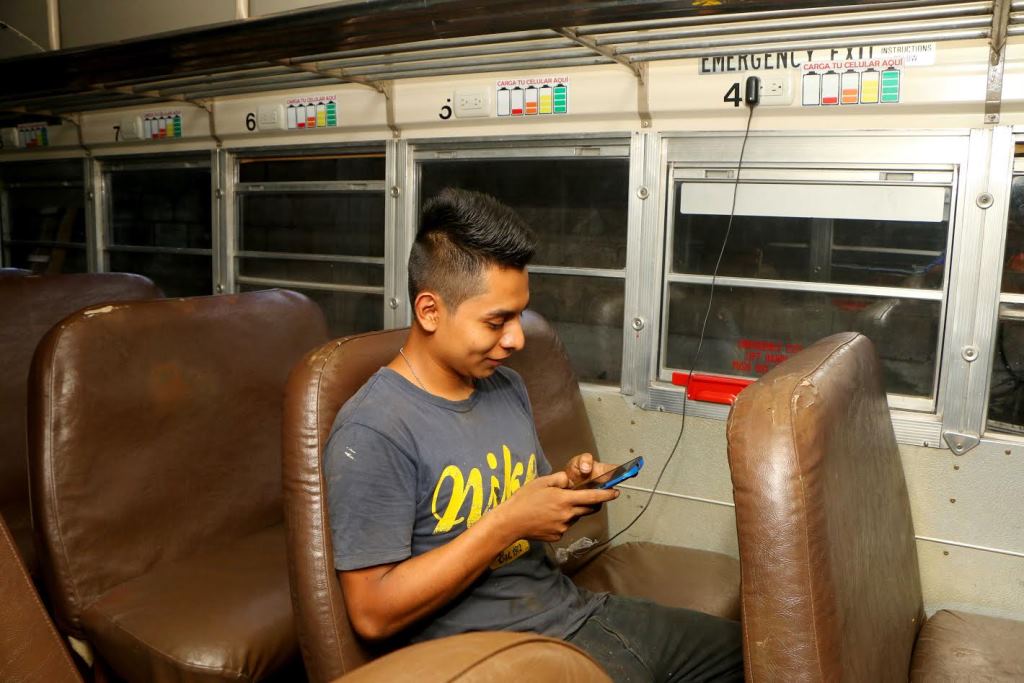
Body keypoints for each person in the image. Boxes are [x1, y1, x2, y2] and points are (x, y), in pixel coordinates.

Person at [323, 187, 743, 681]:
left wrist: (568, 489)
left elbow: (524, 502)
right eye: (497, 321)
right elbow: (372, 613)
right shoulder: (374, 429)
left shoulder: (506, 386)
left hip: (576, 616)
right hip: (497, 657)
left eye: (519, 315)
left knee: (761, 656)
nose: (517, 338)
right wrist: (508, 523)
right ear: (430, 311)